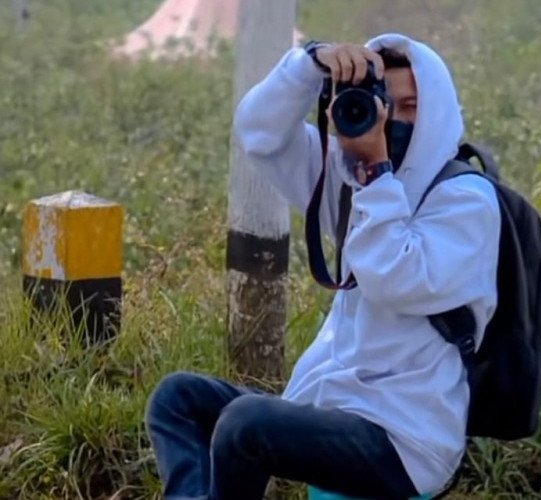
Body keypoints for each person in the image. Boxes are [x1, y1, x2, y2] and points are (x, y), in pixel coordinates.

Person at [145, 33, 500, 500]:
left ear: (439, 109)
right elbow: (260, 133)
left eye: (412, 106)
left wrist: (376, 173)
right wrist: (309, 65)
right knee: (178, 400)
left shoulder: (465, 201)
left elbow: (395, 278)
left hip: (405, 439)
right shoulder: (349, 178)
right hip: (332, 406)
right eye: (384, 104)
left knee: (245, 425)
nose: (394, 120)